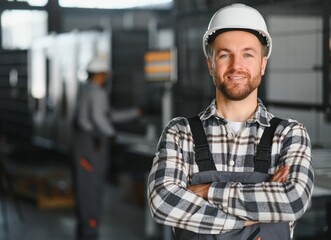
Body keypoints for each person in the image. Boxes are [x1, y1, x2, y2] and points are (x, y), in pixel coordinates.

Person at [147, 3, 314, 240]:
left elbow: (293, 200)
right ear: (211, 64)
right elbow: (162, 202)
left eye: (248, 54)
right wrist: (253, 215)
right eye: (225, 55)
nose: (237, 66)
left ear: (262, 64)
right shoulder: (180, 133)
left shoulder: (289, 134)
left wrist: (207, 191)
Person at [73, 56, 141, 240]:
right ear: (100, 74)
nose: (107, 78)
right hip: (91, 147)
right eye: (105, 74)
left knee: (87, 190)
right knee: (91, 190)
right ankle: (90, 232)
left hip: (88, 146)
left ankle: (85, 231)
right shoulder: (96, 92)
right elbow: (99, 119)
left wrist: (134, 113)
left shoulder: (87, 91)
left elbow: (107, 115)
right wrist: (113, 135)